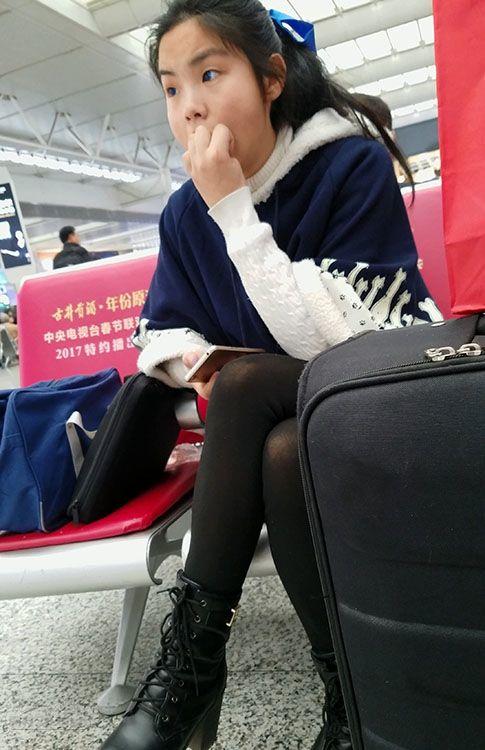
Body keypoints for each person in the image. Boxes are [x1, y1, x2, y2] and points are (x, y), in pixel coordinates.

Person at [100, 2, 440, 749]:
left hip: (389, 391)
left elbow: (345, 340)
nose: (189, 106)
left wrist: (233, 212)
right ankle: (349, 695)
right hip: (285, 425)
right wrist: (196, 363)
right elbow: (160, 330)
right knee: (281, 447)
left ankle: (191, 666)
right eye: (170, 88)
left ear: (272, 78)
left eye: (209, 75)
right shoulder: (183, 215)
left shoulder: (347, 164)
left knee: (251, 386)